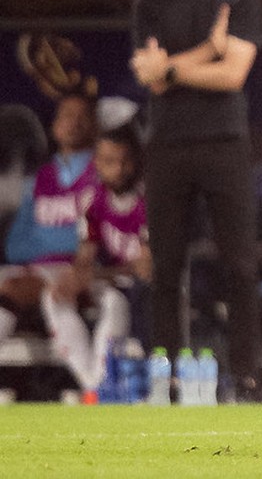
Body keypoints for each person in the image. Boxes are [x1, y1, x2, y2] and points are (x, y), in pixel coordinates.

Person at [130, 0, 262, 400]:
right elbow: (149, 78)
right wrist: (209, 50)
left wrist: (174, 66)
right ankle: (167, 376)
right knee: (166, 266)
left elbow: (234, 76)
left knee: (241, 266)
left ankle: (247, 375)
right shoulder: (150, 4)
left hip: (225, 143)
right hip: (166, 144)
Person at [41, 125, 151, 404]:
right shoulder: (93, 200)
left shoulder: (147, 200)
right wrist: (75, 278)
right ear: (97, 163)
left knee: (115, 301)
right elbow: (85, 256)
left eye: (124, 160)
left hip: (140, 293)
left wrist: (95, 274)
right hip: (109, 281)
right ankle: (93, 386)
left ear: (136, 161)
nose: (119, 168)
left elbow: (144, 268)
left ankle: (95, 388)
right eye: (109, 161)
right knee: (54, 296)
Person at [1, 94, 99, 348]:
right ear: (55, 126)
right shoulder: (38, 178)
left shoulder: (104, 173)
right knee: (13, 284)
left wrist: (48, 241)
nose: (74, 123)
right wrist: (64, 240)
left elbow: (101, 240)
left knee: (14, 288)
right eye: (67, 115)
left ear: (95, 125)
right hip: (35, 271)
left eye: (82, 117)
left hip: (86, 272)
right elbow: (15, 246)